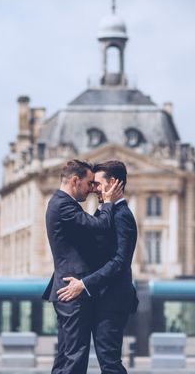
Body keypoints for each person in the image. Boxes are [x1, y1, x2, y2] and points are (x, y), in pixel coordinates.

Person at [56, 160, 138, 374]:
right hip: (100, 297)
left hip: (112, 299)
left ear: (112, 184)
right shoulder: (106, 212)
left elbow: (120, 263)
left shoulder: (122, 216)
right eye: (91, 184)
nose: (93, 189)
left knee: (109, 362)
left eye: (98, 184)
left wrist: (84, 284)